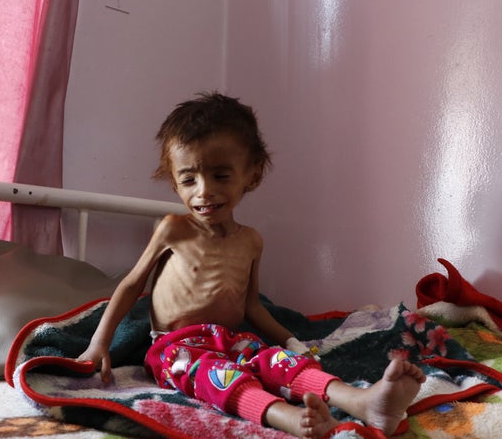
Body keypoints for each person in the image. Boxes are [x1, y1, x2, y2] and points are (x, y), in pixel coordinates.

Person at [77, 92, 426, 438]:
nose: (203, 191)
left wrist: (292, 342)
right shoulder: (174, 229)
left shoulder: (251, 240)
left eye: (221, 176)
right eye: (188, 180)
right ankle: (288, 418)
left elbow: (252, 306)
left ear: (252, 176)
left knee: (279, 362)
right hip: (176, 347)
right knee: (217, 377)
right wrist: (99, 343)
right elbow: (132, 285)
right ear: (174, 182)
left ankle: (364, 402)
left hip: (232, 340)